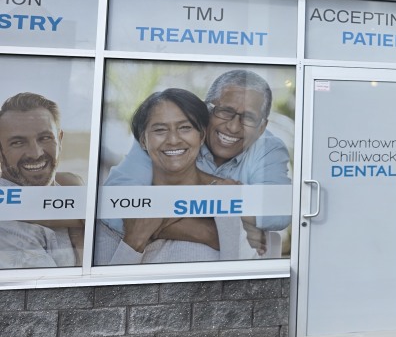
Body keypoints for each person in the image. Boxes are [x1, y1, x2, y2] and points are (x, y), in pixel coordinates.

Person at [104, 69, 291, 251]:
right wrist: (207, 232)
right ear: (206, 109)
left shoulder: (269, 149)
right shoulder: (163, 137)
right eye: (225, 111)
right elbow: (115, 203)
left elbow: (278, 212)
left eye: (249, 118)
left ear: (261, 127)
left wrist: (160, 216)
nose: (233, 127)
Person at [97, 88, 256, 264]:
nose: (173, 139)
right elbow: (106, 290)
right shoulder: (121, 211)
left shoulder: (231, 196)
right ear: (143, 141)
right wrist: (133, 242)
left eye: (185, 128)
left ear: (201, 136)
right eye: (160, 130)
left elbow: (248, 280)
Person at [0, 92, 82, 268]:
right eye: (18, 142)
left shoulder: (71, 191)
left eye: (45, 138)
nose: (36, 153)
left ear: (60, 140)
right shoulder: (6, 225)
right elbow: (52, 291)